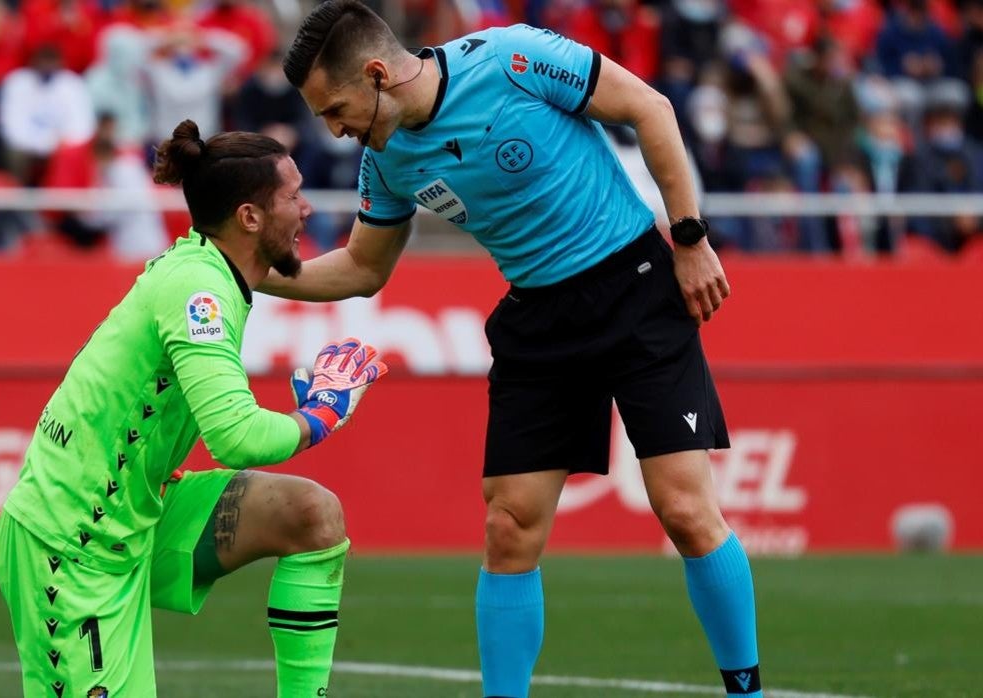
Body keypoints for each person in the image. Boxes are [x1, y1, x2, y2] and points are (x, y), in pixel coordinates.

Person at [271, 3, 761, 697]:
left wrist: (689, 238)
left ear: (378, 73)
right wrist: (255, 273)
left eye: (338, 108)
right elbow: (362, 268)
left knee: (684, 510)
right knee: (507, 527)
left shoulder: (512, 58)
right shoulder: (386, 162)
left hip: (636, 289)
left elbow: (650, 108)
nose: (337, 129)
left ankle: (748, 692)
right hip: (538, 322)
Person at [0, 118, 388, 698]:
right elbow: (238, 438)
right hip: (70, 546)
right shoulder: (199, 291)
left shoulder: (209, 267)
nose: (306, 210)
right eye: (292, 196)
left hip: (138, 515)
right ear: (249, 217)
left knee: (310, 516)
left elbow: (354, 273)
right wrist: (321, 414)